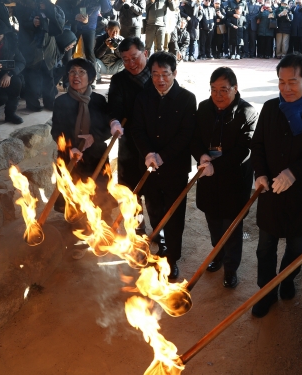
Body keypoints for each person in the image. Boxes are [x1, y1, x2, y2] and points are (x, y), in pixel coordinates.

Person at [249, 53, 302, 317]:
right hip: (271, 192)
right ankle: (265, 291)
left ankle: (288, 279)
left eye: (293, 82)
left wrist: (295, 172)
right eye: (281, 82)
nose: (286, 88)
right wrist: (259, 174)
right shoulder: (270, 108)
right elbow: (257, 146)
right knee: (265, 246)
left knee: (296, 247)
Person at [131, 52, 197, 280]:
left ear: (174, 73)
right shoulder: (143, 97)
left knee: (174, 214)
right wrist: (148, 153)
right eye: (155, 74)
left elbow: (186, 134)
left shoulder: (187, 99)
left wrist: (163, 156)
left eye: (165, 74)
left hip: (174, 168)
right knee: (154, 209)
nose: (160, 79)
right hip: (149, 166)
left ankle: (172, 258)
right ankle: (160, 245)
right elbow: (137, 130)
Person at [191, 67, 257, 288]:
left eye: (224, 90)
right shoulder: (203, 108)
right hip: (208, 177)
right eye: (214, 89)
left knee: (231, 226)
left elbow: (243, 150)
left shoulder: (247, 112)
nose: (218, 95)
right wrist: (200, 155)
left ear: (235, 89)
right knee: (214, 223)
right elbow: (195, 138)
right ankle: (217, 256)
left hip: (234, 180)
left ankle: (230, 268)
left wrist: (215, 167)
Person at [50, 58, 114, 218]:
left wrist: (94, 137)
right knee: (72, 194)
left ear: (90, 78)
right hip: (70, 155)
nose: (75, 76)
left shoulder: (99, 101)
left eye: (81, 72)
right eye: (72, 72)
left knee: (99, 194)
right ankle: (74, 223)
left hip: (96, 155)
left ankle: (102, 225)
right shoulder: (61, 101)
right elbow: (56, 131)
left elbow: (108, 129)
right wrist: (70, 148)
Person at [108, 37, 152, 237]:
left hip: (154, 145)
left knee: (154, 193)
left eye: (134, 57)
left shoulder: (157, 74)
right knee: (131, 191)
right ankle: (138, 229)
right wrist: (114, 121)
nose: (131, 64)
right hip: (130, 145)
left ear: (145, 53)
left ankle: (159, 232)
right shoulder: (119, 80)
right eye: (125, 60)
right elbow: (114, 107)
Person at [16, 0, 64, 111]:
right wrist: (32, 23)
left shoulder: (53, 7)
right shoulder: (22, 5)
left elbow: (59, 25)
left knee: (49, 76)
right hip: (31, 47)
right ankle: (33, 104)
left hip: (48, 46)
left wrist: (48, 8)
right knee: (31, 77)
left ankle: (50, 102)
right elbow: (21, 23)